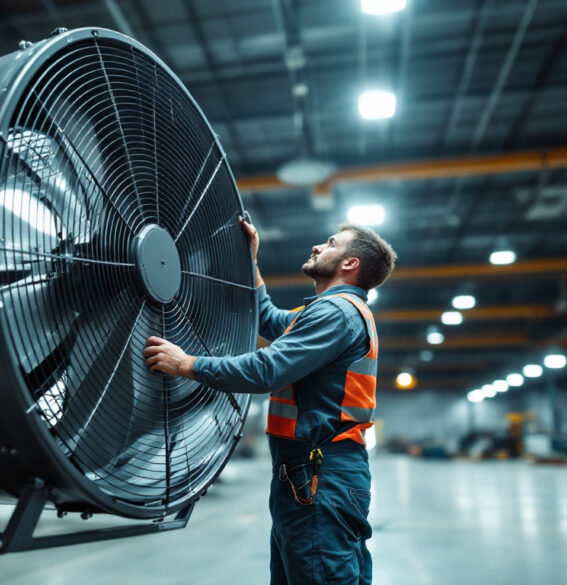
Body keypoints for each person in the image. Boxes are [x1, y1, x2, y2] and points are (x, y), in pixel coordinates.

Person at [144, 217, 396, 585]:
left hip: (321, 475)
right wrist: (252, 262)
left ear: (350, 264)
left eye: (330, 243)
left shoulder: (335, 314)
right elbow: (268, 319)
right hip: (310, 475)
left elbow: (267, 369)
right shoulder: (324, 312)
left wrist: (187, 365)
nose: (317, 246)